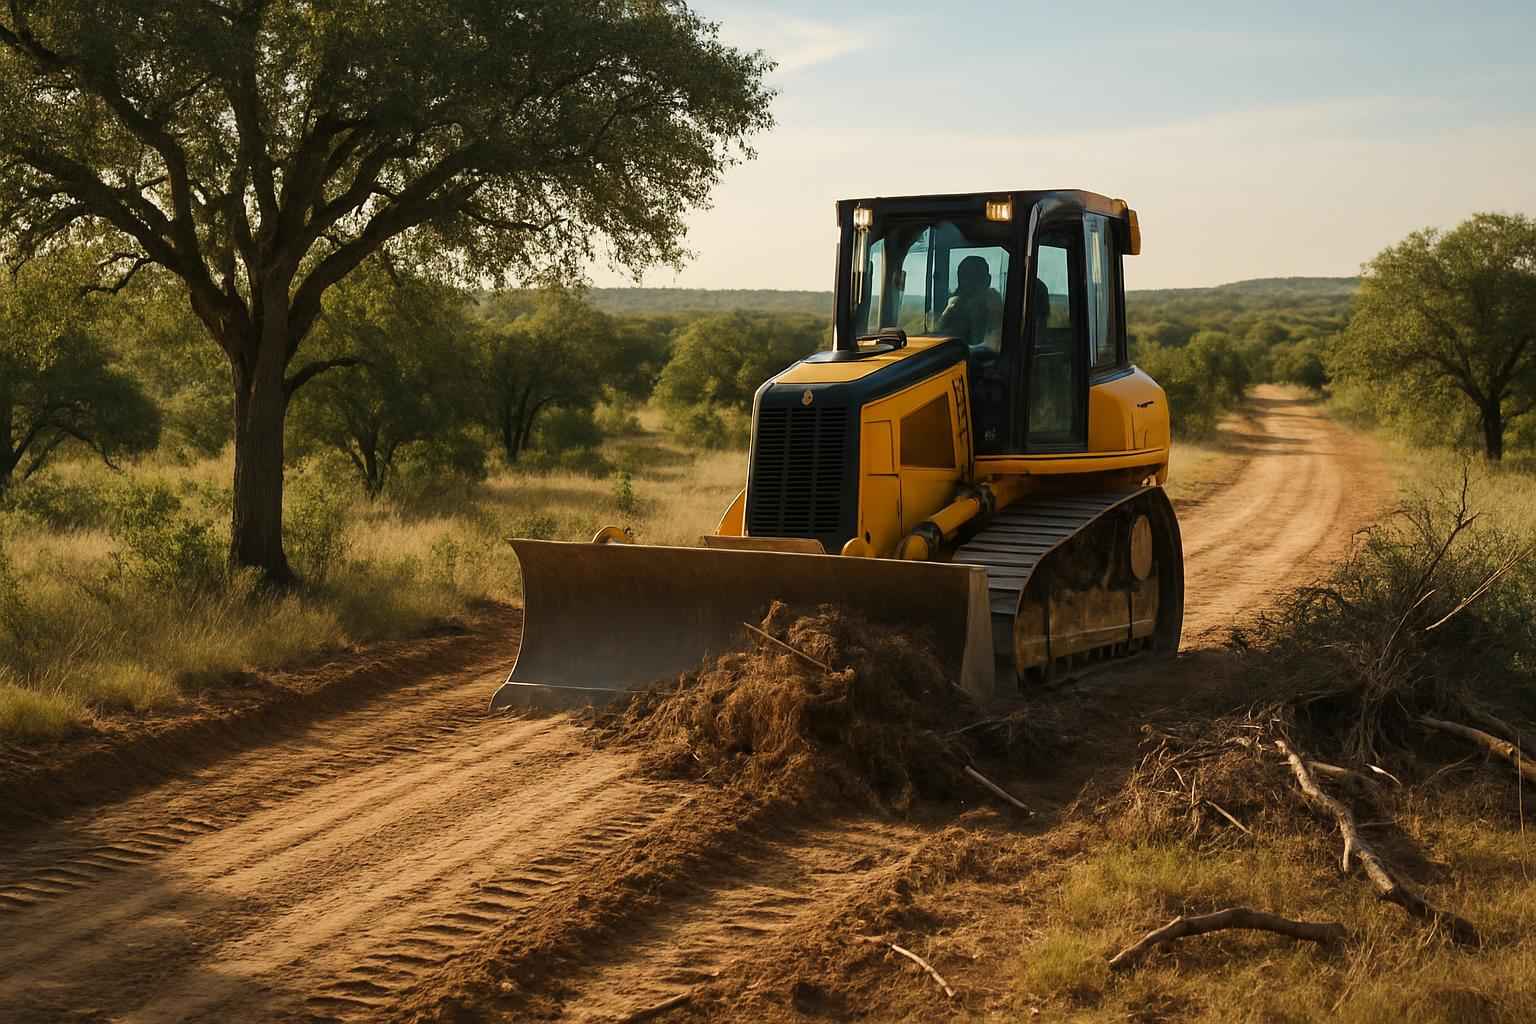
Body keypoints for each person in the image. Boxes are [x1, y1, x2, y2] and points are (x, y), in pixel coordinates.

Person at [938, 254, 1004, 351]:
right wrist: (947, 312)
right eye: (964, 278)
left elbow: (994, 348)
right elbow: (938, 338)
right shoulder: (955, 306)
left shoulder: (994, 307)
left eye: (975, 278)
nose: (968, 284)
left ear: (987, 280)